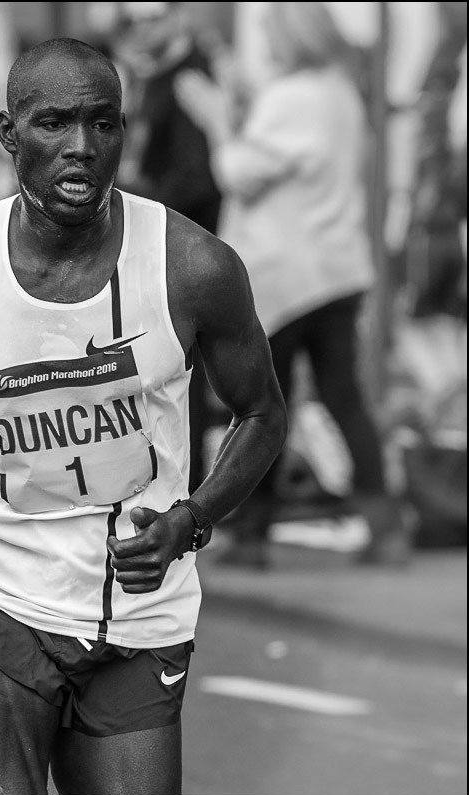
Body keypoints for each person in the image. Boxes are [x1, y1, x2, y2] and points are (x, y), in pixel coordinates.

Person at [0, 38, 286, 795]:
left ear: (123, 131)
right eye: (54, 124)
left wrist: (192, 518)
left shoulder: (194, 267)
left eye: (102, 124)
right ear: (9, 133)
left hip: (138, 613)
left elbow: (262, 413)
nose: (81, 148)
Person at [175, 2, 412, 566]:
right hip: (336, 266)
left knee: (261, 403)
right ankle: (384, 522)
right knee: (342, 396)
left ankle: (252, 530)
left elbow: (239, 172)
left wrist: (214, 120)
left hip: (287, 273)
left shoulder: (293, 97)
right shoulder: (340, 93)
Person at [113, 1, 226, 494]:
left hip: (178, 254)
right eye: (132, 19)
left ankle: (188, 500)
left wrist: (140, 207)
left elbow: (199, 178)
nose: (142, 27)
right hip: (157, 249)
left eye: (152, 15)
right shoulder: (152, 75)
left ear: (178, 17)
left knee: (182, 375)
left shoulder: (188, 79)